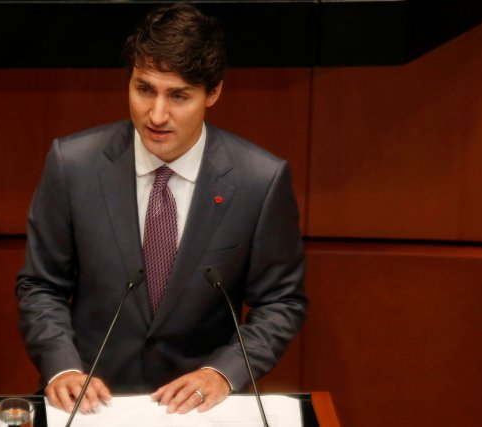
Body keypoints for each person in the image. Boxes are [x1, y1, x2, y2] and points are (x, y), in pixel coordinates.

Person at [16, 2, 307, 416]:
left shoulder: (260, 180)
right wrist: (62, 368)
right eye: (144, 89)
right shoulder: (73, 164)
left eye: (179, 96)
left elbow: (282, 302)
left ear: (214, 92)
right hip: (91, 406)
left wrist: (223, 372)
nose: (156, 115)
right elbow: (40, 286)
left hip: (198, 411)